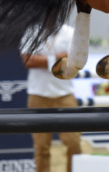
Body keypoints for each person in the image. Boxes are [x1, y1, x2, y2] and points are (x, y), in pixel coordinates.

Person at [21, 25, 82, 172]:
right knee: (41, 148)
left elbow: (74, 60)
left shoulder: (70, 32)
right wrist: (56, 59)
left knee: (74, 145)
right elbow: (28, 61)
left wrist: (42, 61)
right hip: (38, 95)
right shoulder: (31, 30)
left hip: (65, 94)